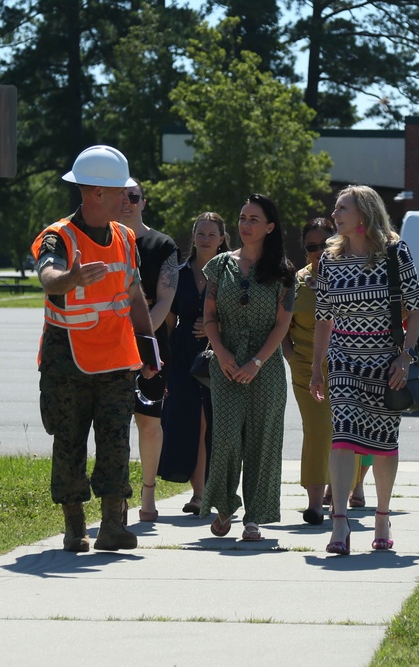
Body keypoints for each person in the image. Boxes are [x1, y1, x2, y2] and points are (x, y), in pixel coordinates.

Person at [31, 145, 159, 553]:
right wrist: (70, 277)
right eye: (121, 192)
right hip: (66, 360)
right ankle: (74, 528)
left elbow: (134, 292)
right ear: (96, 193)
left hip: (116, 361)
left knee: (115, 441)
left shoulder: (124, 236)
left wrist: (149, 348)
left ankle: (112, 526)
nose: (128, 198)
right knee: (69, 441)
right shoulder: (59, 236)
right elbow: (49, 278)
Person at [309, 185, 419, 555]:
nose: (335, 215)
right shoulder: (329, 258)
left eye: (342, 208)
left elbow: (416, 308)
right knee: (342, 436)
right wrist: (316, 366)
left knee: (384, 443)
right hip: (343, 358)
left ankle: (382, 516)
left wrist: (405, 357)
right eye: (336, 208)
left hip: (386, 360)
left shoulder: (394, 252)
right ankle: (339, 523)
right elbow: (324, 317)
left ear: (364, 214)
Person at [201, 194, 295, 542]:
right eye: (242, 217)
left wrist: (257, 361)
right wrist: (222, 352)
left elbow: (282, 324)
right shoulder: (219, 266)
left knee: (262, 439)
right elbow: (209, 316)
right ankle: (225, 505)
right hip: (225, 363)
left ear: (270, 227)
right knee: (225, 437)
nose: (245, 224)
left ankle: (254, 516)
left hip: (265, 367)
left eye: (254, 219)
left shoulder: (283, 272)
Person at [158, 212, 229, 515]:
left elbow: (241, 317)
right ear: (193, 235)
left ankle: (213, 491)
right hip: (183, 356)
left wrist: (216, 328)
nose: (205, 239)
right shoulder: (179, 273)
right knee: (190, 423)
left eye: (212, 234)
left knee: (214, 424)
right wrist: (162, 365)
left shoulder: (230, 274)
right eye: (201, 233)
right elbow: (169, 320)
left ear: (222, 239)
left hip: (219, 356)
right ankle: (199, 493)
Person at [120, 180, 179, 523]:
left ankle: (148, 494)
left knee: (149, 424)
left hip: (149, 347)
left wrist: (139, 343)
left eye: (133, 196)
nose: (126, 202)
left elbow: (164, 302)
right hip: (107, 348)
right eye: (121, 196)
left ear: (144, 201)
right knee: (112, 425)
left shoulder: (162, 245)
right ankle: (117, 496)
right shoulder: (105, 241)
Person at [282, 218, 336, 525]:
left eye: (324, 245)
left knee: (341, 432)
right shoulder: (297, 282)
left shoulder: (351, 276)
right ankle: (315, 504)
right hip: (305, 367)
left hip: (344, 366)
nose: (318, 252)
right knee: (316, 430)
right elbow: (283, 328)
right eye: (311, 247)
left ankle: (340, 491)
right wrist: (292, 358)